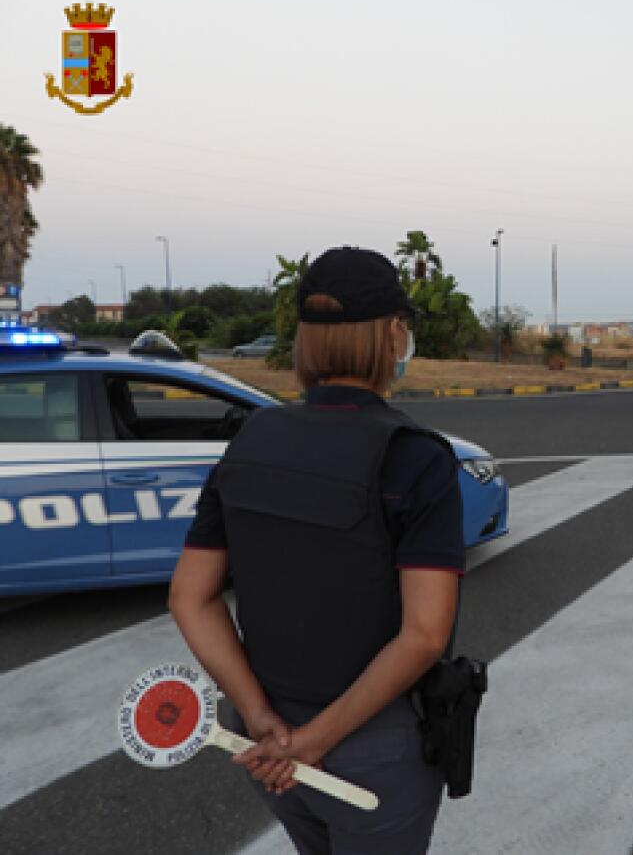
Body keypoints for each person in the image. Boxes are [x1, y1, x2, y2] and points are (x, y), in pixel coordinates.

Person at [169, 246, 464, 855]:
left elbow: (191, 598)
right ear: (392, 334)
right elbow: (425, 635)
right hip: (369, 743)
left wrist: (258, 716)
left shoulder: (252, 436)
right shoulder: (416, 456)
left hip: (261, 735)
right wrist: (314, 741)